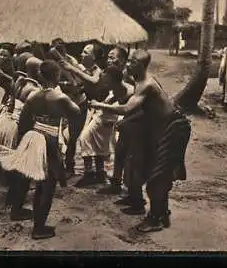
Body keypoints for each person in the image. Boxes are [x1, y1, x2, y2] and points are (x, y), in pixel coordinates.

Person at [89, 49, 191, 233]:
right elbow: (143, 111)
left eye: (132, 62)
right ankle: (162, 214)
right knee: (153, 170)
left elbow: (127, 108)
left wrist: (99, 105)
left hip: (173, 128)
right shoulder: (139, 81)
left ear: (141, 65)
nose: (127, 64)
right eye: (128, 61)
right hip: (161, 128)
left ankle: (155, 219)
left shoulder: (147, 84)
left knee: (157, 177)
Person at [0, 60, 80, 239]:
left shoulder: (33, 96)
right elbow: (76, 112)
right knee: (46, 186)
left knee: (28, 176)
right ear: (57, 76)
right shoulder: (60, 98)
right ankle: (39, 228)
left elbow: (24, 123)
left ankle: (19, 212)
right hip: (50, 139)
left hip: (33, 135)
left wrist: (25, 142)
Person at [59, 45, 131, 187]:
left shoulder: (123, 74)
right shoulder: (106, 71)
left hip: (116, 111)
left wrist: (72, 69)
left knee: (92, 140)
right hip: (104, 109)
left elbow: (99, 84)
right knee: (97, 142)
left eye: (113, 57)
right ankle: (99, 173)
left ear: (122, 60)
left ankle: (98, 174)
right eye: (108, 57)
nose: (109, 60)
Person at [48, 38, 89, 179]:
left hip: (78, 101)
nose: (59, 51)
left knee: (72, 135)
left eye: (61, 48)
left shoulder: (72, 62)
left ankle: (69, 165)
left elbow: (83, 80)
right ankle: (60, 164)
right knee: (59, 135)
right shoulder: (52, 64)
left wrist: (75, 84)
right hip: (63, 102)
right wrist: (65, 83)